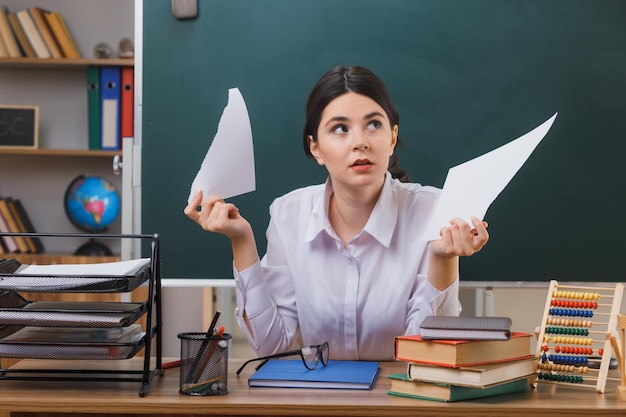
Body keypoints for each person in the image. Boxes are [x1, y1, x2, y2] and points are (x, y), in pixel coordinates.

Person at [185, 65, 489, 361]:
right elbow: (272, 348)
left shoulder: (435, 211)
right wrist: (242, 241)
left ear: (392, 137)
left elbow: (427, 355)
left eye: (373, 125)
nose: (360, 142)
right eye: (340, 129)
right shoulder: (288, 214)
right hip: (315, 403)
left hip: (400, 403)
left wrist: (443, 259)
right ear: (315, 148)